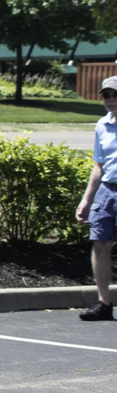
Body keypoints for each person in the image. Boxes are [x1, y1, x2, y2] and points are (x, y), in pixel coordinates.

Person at [74, 75, 117, 320]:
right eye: (106, 95)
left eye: (115, 94)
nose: (111, 99)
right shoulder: (102, 125)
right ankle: (104, 304)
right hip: (107, 190)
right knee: (100, 244)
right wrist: (86, 200)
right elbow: (99, 165)